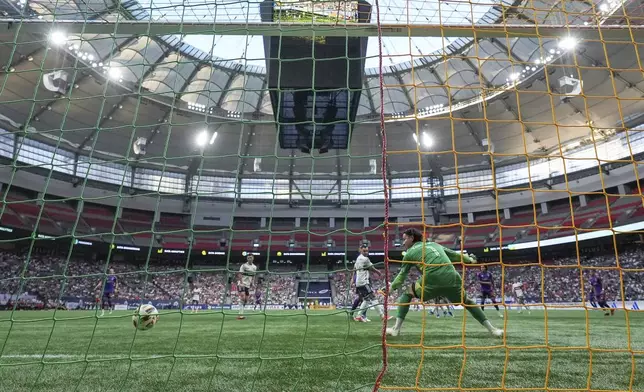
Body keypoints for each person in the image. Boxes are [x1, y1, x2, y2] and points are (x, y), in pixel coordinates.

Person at [386, 228, 503, 338]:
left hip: (432, 279)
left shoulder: (409, 253)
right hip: (453, 278)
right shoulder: (435, 244)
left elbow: (401, 277)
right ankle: (493, 330)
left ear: (412, 238)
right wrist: (471, 260)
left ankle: (396, 329)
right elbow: (457, 256)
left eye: (404, 239)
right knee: (467, 302)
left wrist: (390, 289)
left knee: (407, 293)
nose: (403, 243)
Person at [353, 245, 391, 322]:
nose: (366, 252)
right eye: (364, 251)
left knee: (366, 299)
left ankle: (359, 316)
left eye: (367, 251)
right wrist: (378, 272)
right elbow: (371, 267)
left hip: (359, 282)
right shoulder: (365, 259)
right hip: (363, 282)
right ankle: (383, 316)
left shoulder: (358, 258)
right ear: (360, 250)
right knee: (373, 297)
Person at [237, 255, 257, 320]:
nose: (249, 259)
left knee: (246, 300)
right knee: (243, 297)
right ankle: (240, 315)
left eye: (251, 258)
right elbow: (240, 274)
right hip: (242, 284)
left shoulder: (254, 267)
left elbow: (253, 276)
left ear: (253, 258)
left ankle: (241, 309)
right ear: (247, 259)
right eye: (248, 258)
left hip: (247, 286)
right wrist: (241, 283)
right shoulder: (244, 266)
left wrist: (253, 283)